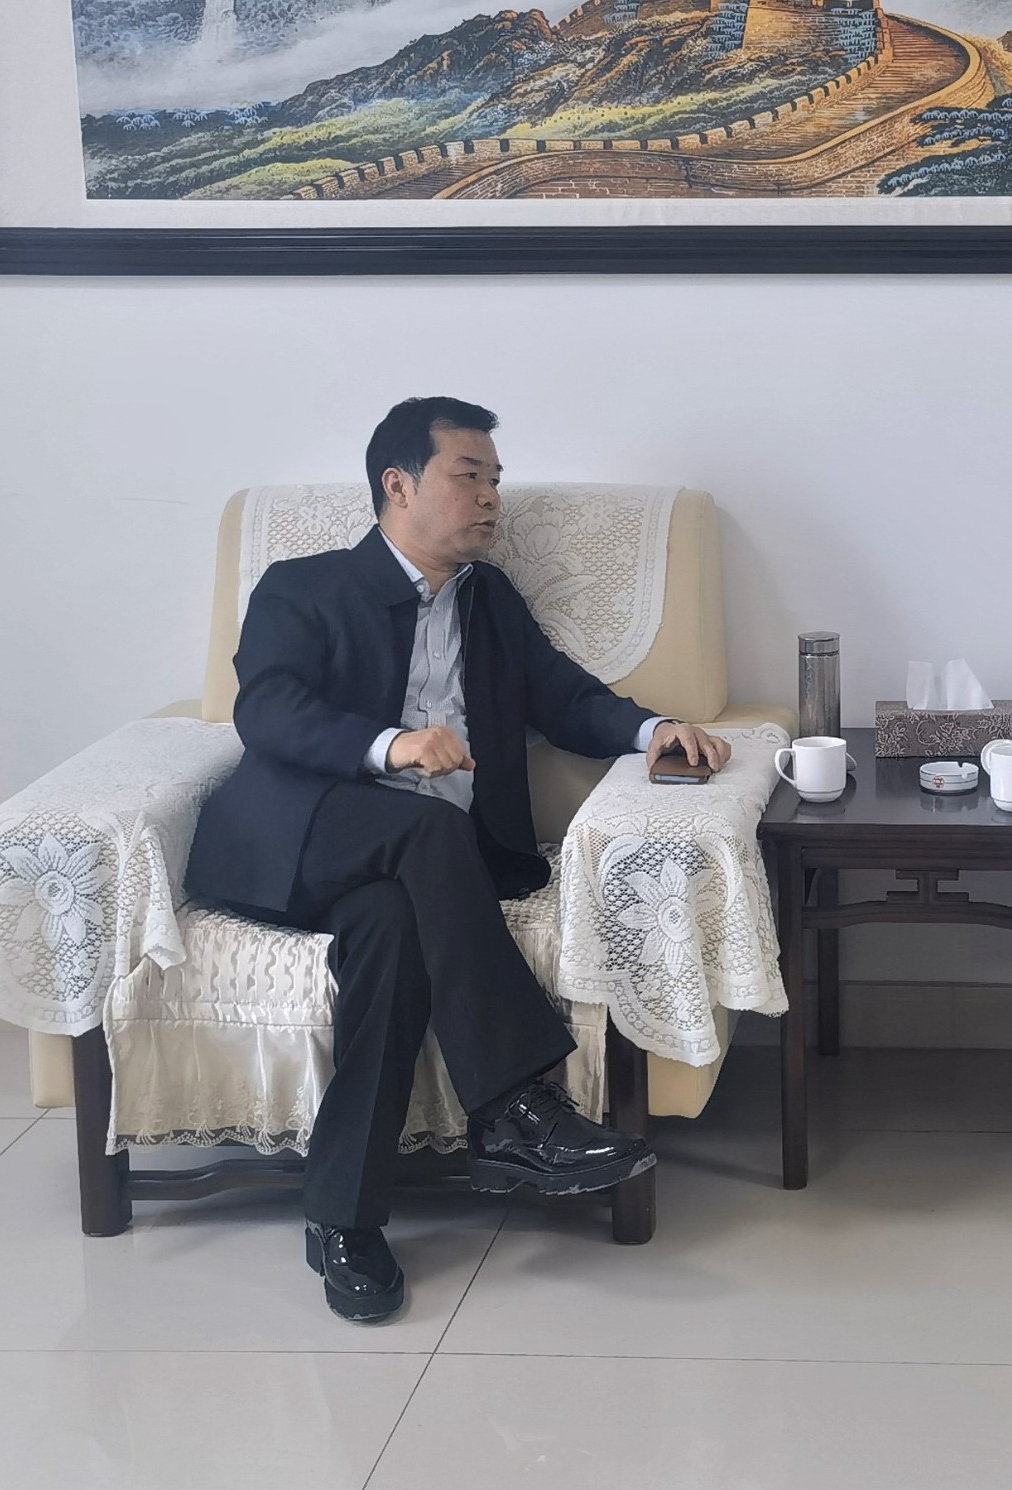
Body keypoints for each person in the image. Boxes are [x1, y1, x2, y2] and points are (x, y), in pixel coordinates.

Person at [186, 396, 732, 1324]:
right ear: (398, 486)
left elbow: (564, 697)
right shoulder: (304, 586)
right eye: (468, 475)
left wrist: (655, 731)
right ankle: (516, 1107)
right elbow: (266, 708)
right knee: (428, 830)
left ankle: (342, 1220)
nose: (490, 497)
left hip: (410, 875)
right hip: (298, 841)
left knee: (394, 936)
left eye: (496, 480)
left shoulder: (489, 600)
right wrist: (391, 745)